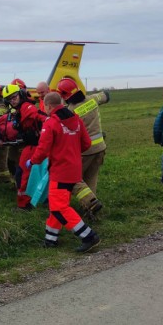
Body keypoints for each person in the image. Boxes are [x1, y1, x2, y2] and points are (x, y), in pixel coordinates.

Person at [27, 92, 101, 252]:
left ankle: (89, 236)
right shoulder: (76, 119)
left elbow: (42, 149)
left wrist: (32, 161)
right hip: (74, 169)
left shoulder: (50, 123)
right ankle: (50, 239)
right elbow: (87, 143)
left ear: (49, 106)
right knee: (58, 204)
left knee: (58, 208)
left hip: (60, 171)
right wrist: (71, 151)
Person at [57, 77, 109, 219]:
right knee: (91, 178)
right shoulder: (92, 99)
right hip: (100, 147)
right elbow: (106, 95)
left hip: (85, 150)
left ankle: (90, 202)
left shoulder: (71, 110)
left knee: (72, 178)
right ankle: (90, 210)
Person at [2, 83, 47, 211]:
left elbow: (44, 118)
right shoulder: (20, 109)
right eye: (10, 99)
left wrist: (44, 133)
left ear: (20, 94)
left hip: (35, 146)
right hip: (33, 145)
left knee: (22, 174)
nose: (13, 100)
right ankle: (44, 199)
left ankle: (24, 204)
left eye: (14, 97)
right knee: (41, 173)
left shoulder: (27, 108)